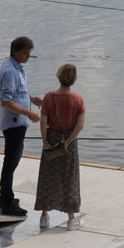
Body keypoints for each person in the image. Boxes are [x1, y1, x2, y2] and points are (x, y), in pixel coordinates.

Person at [36, 62, 85, 229]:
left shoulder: (49, 97)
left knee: (47, 177)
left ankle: (44, 216)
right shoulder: (78, 100)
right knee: (69, 178)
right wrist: (68, 142)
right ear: (74, 79)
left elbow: (43, 122)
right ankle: (71, 219)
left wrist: (45, 141)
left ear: (59, 77)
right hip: (69, 143)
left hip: (51, 139)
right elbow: (80, 125)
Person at [0, 36, 40, 217]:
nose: (28, 56)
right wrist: (28, 113)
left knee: (13, 161)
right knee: (10, 161)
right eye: (26, 53)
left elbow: (17, 94)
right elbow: (6, 101)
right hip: (14, 124)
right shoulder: (10, 71)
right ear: (16, 52)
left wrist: (32, 99)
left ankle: (4, 197)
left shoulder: (18, 68)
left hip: (19, 123)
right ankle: (7, 202)